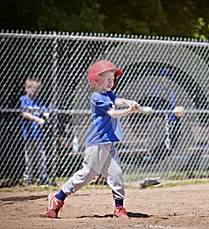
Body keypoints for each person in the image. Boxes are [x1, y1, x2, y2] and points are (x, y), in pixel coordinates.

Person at [47, 60, 139, 219]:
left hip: (109, 143)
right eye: (108, 79)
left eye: (112, 79)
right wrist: (129, 111)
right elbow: (112, 113)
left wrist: (129, 102)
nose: (111, 82)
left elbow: (117, 100)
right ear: (97, 81)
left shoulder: (108, 94)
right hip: (97, 143)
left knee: (116, 173)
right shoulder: (97, 97)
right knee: (86, 175)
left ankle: (119, 207)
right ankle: (57, 198)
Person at [20, 77, 49, 186]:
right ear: (27, 88)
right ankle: (28, 179)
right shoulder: (24, 99)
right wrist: (37, 119)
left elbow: (45, 111)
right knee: (29, 158)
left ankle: (43, 179)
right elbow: (24, 113)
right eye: (34, 90)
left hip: (38, 135)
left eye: (37, 90)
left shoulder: (38, 102)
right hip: (28, 135)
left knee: (41, 158)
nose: (36, 92)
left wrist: (46, 115)